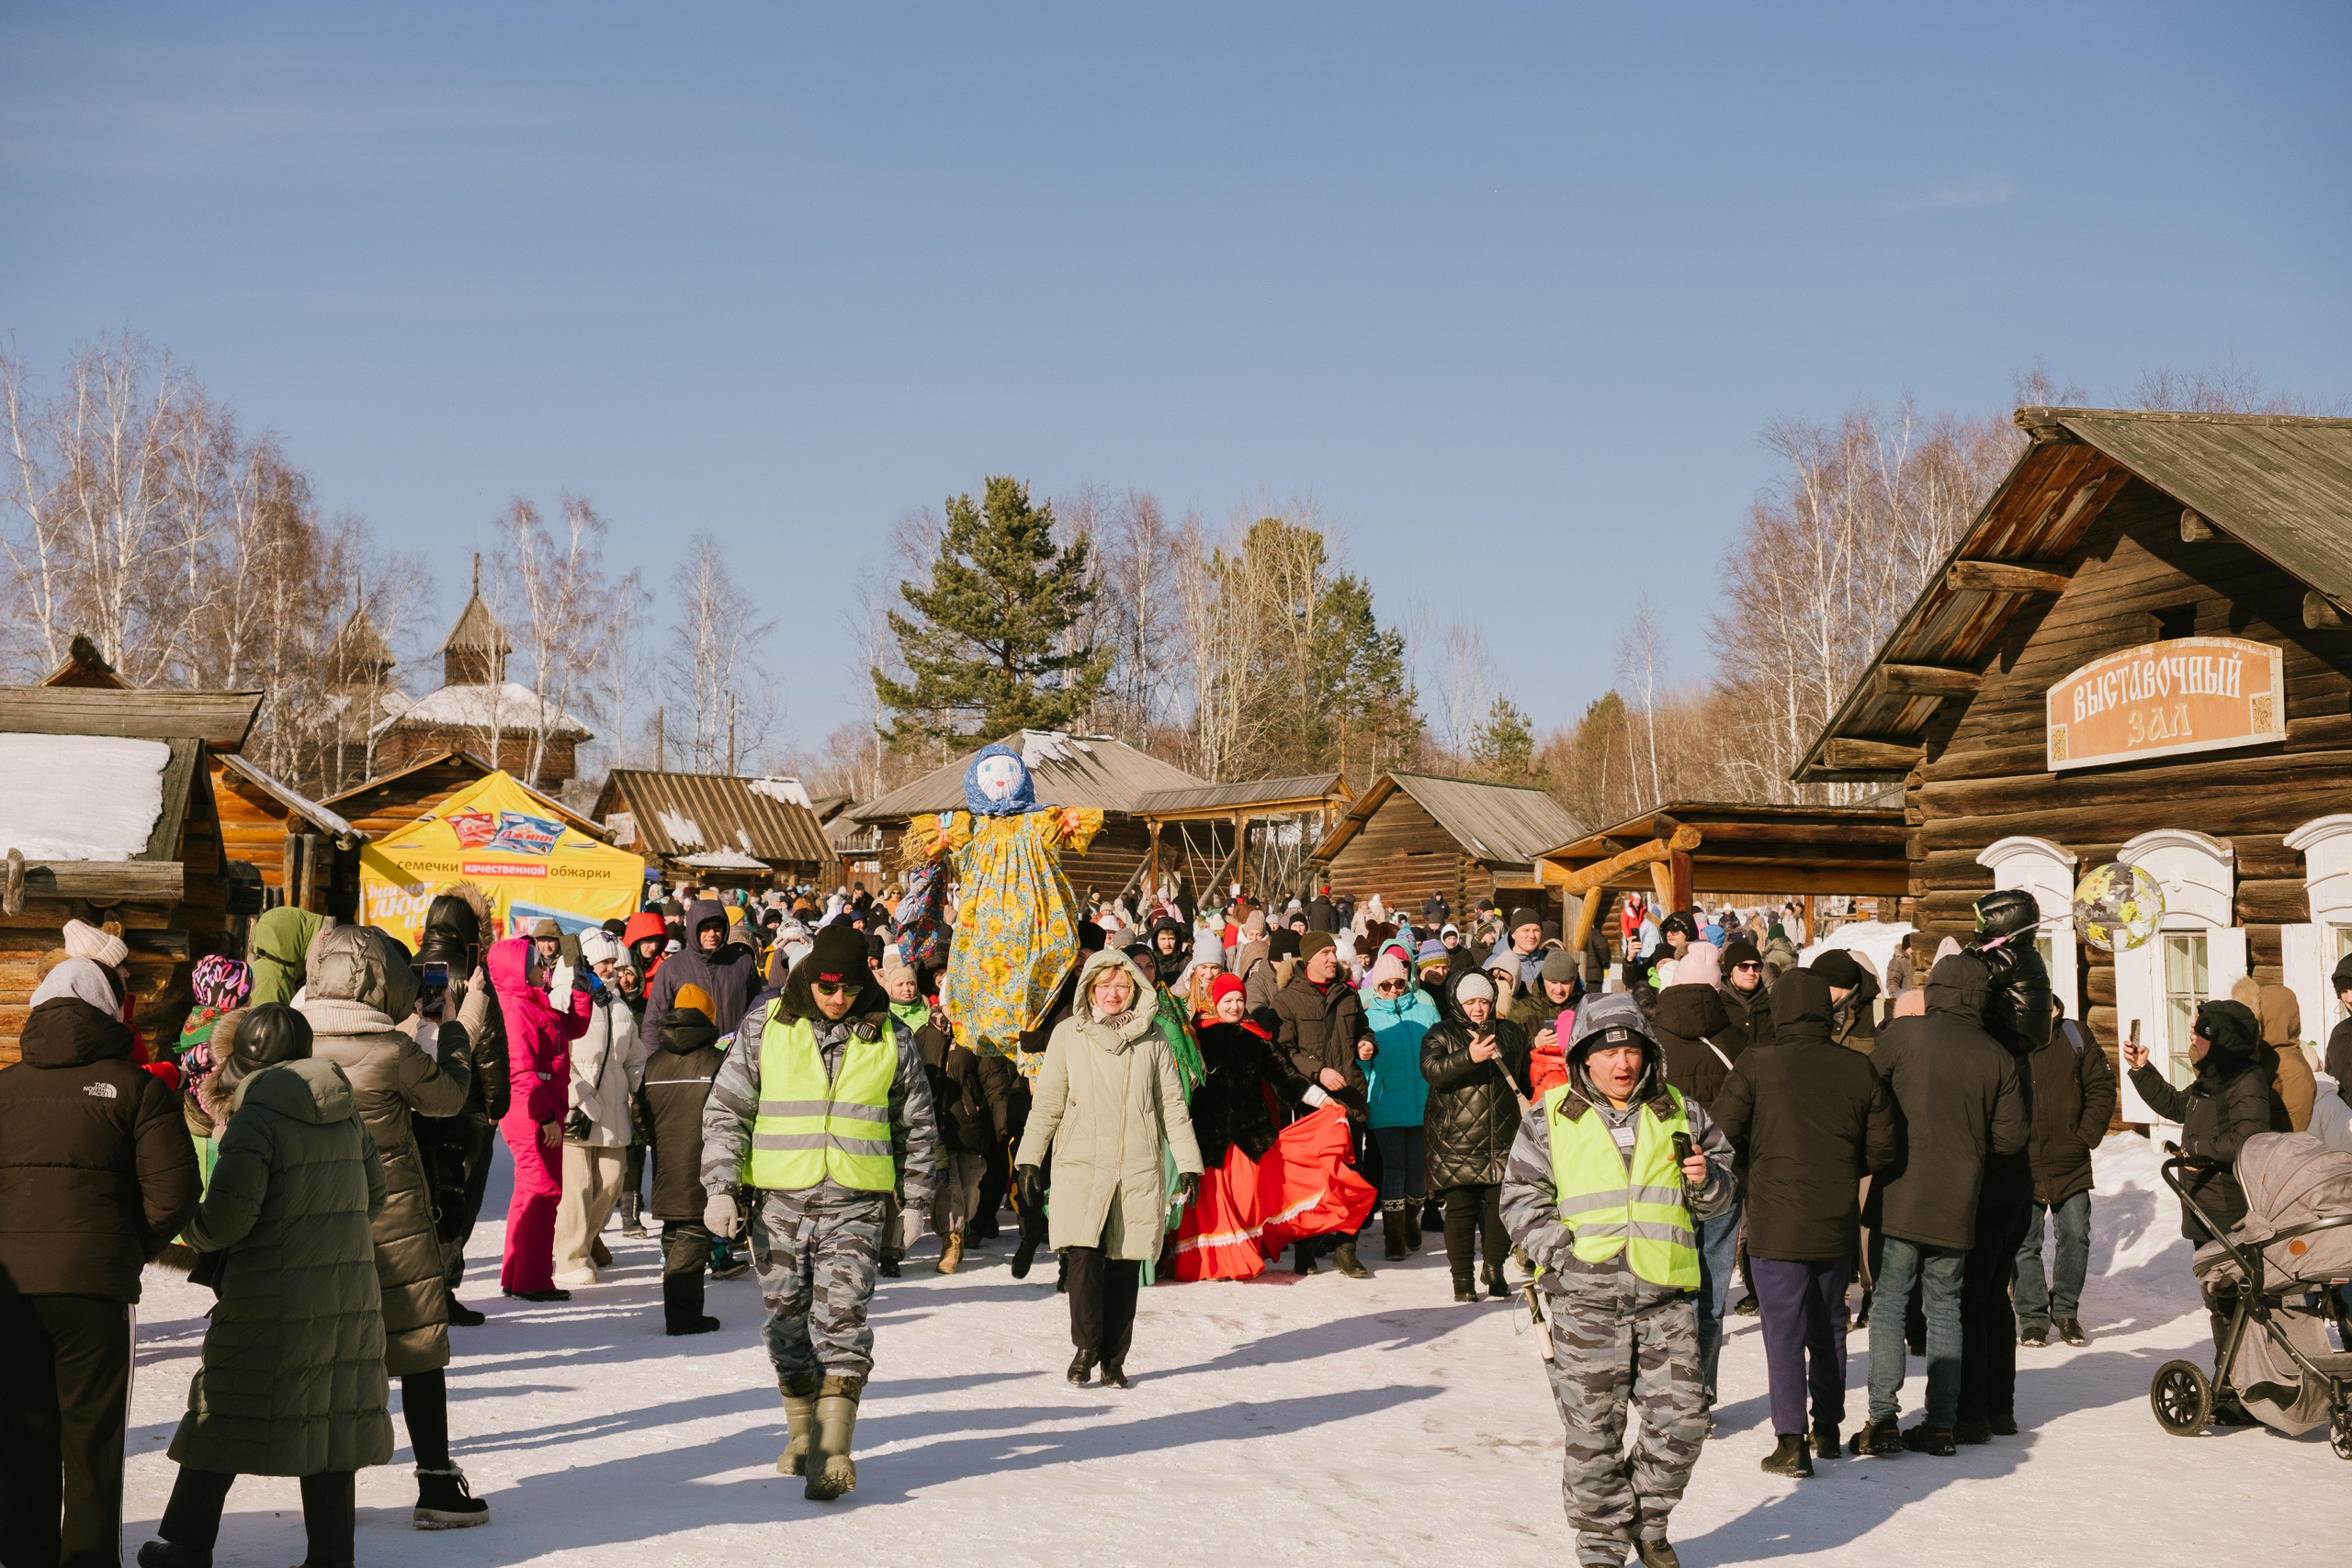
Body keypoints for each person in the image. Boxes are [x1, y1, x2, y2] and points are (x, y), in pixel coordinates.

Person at [141, 1004, 390, 1568]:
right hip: (348, 1294)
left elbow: (228, 1220)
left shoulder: (256, 1116)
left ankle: (186, 1547)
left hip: (267, 1295)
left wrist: (185, 1227)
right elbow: (374, 1196)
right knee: (330, 1420)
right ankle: (332, 1557)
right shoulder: (344, 1109)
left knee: (222, 1407)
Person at [701, 924, 937, 1501]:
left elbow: (917, 1125)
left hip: (855, 1204)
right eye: (828, 986)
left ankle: (832, 1452)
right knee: (786, 1322)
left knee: (842, 1321)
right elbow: (728, 1109)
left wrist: (916, 1201)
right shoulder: (765, 1026)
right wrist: (720, 1187)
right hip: (779, 1205)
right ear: (809, 977)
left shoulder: (891, 1036)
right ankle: (803, 1434)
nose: (837, 998)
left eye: (849, 988)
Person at [1500, 991, 1733, 1568]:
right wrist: (1566, 1259)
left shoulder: (1682, 1111)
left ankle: (1647, 1521)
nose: (1621, 1064)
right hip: (1584, 1304)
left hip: (1665, 1301)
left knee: (1683, 1423)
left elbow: (1723, 1193)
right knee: (1594, 1437)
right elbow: (1520, 1200)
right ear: (1585, 1056)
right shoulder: (1550, 1116)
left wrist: (1707, 1180)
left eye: (1631, 1051)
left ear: (1648, 1053)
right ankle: (1602, 1549)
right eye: (1608, 1053)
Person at [0, 952, 200, 1568]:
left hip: (10, 1293)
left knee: (22, 1437)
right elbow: (175, 1194)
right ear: (110, 1013)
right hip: (95, 1292)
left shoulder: (4, 1088)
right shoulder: (137, 1089)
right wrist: (123, 1250)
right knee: (93, 1445)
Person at [298, 924, 488, 1529]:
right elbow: (447, 1098)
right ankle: (436, 1485)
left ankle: (330, 1503)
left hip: (314, 1216)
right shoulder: (390, 1050)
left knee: (330, 1354)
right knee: (417, 1347)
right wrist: (449, 1028)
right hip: (393, 1217)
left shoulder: (293, 1041)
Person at [1710, 970, 1896, 1477]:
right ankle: (1828, 1429)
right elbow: (1884, 1147)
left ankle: (1791, 1442)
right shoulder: (1856, 1067)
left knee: (1783, 1332)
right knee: (1829, 1324)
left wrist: (1756, 1167)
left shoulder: (1757, 1062)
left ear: (1779, 1010)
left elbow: (1720, 1134)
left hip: (1775, 1218)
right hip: (1834, 1216)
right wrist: (1842, 1168)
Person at [1851, 953, 2028, 1457]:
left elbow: (1866, 1094)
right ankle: (1943, 1424)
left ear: (1936, 990)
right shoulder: (1996, 1055)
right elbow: (2010, 1139)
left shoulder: (1904, 1034)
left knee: (1889, 1304)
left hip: (1899, 1192)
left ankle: (1882, 1421)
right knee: (1945, 1308)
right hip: (1959, 1198)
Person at [1014, 948, 1203, 1387]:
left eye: (1122, 985)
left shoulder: (1154, 1037)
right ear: (1090, 989)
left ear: (1135, 989)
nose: (1113, 994)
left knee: (1124, 1264)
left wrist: (1189, 1164)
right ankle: (1086, 1348)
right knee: (1083, 1257)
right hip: (1082, 1163)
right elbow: (1048, 1103)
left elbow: (1172, 1107)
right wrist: (1028, 1158)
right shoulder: (1068, 1034)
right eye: (1105, 986)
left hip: (1136, 1164)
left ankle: (1114, 1361)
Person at [2122, 997, 2274, 1426]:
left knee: (2235, 1301)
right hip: (2204, 1206)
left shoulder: (2246, 1079)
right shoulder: (2213, 1078)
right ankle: (2235, 1389)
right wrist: (2142, 1070)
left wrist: (2198, 1151)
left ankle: (2244, 1392)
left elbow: (2250, 1137)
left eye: (2199, 1031)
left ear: (2219, 1038)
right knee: (2220, 1300)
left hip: (2230, 1208)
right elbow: (2176, 1106)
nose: (2191, 1036)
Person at [1648, 940, 1743, 1409]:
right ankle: (1700, 1392)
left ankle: (1667, 1391)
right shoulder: (1738, 1037)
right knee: (1711, 1295)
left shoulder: (1650, 1041)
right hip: (1723, 1175)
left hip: (1660, 1174)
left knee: (1662, 1293)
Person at [413, 887, 506, 1327]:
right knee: (456, 1201)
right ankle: (441, 1292)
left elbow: (424, 1036)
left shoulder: (411, 965)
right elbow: (486, 1043)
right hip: (462, 1106)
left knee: (422, 1200)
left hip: (416, 1103)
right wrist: (497, 1101)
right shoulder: (466, 973)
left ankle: (422, 1287)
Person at [491, 932, 594, 1302]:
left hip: (539, 1106)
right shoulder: (515, 1007)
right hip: (533, 1109)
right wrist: (545, 1116)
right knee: (543, 1191)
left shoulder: (531, 1002)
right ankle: (532, 1280)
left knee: (527, 1192)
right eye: (536, 963)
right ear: (518, 970)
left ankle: (516, 1274)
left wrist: (581, 991)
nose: (543, 968)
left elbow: (572, 1028)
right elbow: (520, 1069)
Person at [1421, 970, 1532, 1303]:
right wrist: (1469, 1057)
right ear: (1458, 1002)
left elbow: (1523, 1078)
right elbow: (1433, 1071)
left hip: (1502, 1135)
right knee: (1461, 1210)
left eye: (1484, 1000)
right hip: (1456, 1137)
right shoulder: (1440, 1033)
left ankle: (1494, 1268)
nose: (1478, 1008)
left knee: (1502, 1208)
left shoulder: (1510, 1033)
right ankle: (1462, 1278)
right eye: (1470, 1001)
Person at [1271, 931, 1375, 1278]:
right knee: (1312, 1180)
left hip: (1349, 1099)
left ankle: (1346, 1250)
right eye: (1326, 953)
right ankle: (1306, 1249)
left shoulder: (1348, 994)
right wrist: (1318, 1072)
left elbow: (1364, 1030)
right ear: (1309, 959)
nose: (1333, 959)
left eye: (1334, 952)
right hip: (1312, 1103)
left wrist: (1366, 1045)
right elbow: (1284, 1052)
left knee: (1350, 1178)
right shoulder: (1286, 999)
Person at [2016, 995, 2114, 1350]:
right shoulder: (2010, 1037)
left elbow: (2102, 1087)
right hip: (2022, 1161)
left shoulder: (2075, 1034)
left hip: (2070, 1159)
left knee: (2075, 1235)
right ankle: (2032, 1317)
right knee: (2024, 1243)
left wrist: (2084, 1136)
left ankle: (2066, 1311)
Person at [553, 929, 646, 1288]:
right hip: (575, 1109)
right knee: (576, 1187)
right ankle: (570, 1258)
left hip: (613, 1108)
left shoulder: (618, 1005)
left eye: (613, 961)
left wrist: (641, 1089)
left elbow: (633, 1056)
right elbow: (555, 1052)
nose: (610, 968)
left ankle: (584, 1241)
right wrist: (577, 1094)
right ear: (586, 960)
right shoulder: (563, 996)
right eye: (603, 961)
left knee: (612, 1180)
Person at [638, 983, 728, 1335]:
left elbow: (639, 1114)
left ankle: (680, 1311)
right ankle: (684, 1317)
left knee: (676, 1232)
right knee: (693, 1233)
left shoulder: (654, 1062)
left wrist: (660, 1141)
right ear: (708, 1017)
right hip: (703, 1163)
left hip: (666, 1163)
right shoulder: (717, 1061)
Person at [1362, 949, 1437, 1260]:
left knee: (1419, 1174)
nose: (1393, 989)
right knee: (1394, 1169)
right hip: (1385, 1104)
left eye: (1399, 983)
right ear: (1376, 986)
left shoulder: (1425, 1012)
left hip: (1423, 1104)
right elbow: (1361, 1065)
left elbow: (1440, 1052)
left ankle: (1409, 1219)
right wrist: (1362, 1054)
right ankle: (1393, 1237)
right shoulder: (1367, 1018)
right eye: (1386, 985)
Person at [644, 897, 760, 1045]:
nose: (712, 934)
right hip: (690, 1054)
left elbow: (756, 1012)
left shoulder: (743, 963)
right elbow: (654, 1022)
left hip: (733, 1053)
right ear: (694, 929)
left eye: (717, 928)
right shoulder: (672, 967)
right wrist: (651, 1057)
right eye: (705, 928)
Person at [1808, 950, 1880, 1055]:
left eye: (1821, 983)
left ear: (1840, 982)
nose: (1816, 990)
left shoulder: (1880, 1015)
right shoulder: (1810, 1015)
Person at [1715, 937, 1774, 1052]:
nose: (1751, 972)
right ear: (1730, 970)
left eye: (1756, 967)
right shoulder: (1717, 1005)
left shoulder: (1771, 1005)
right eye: (1743, 966)